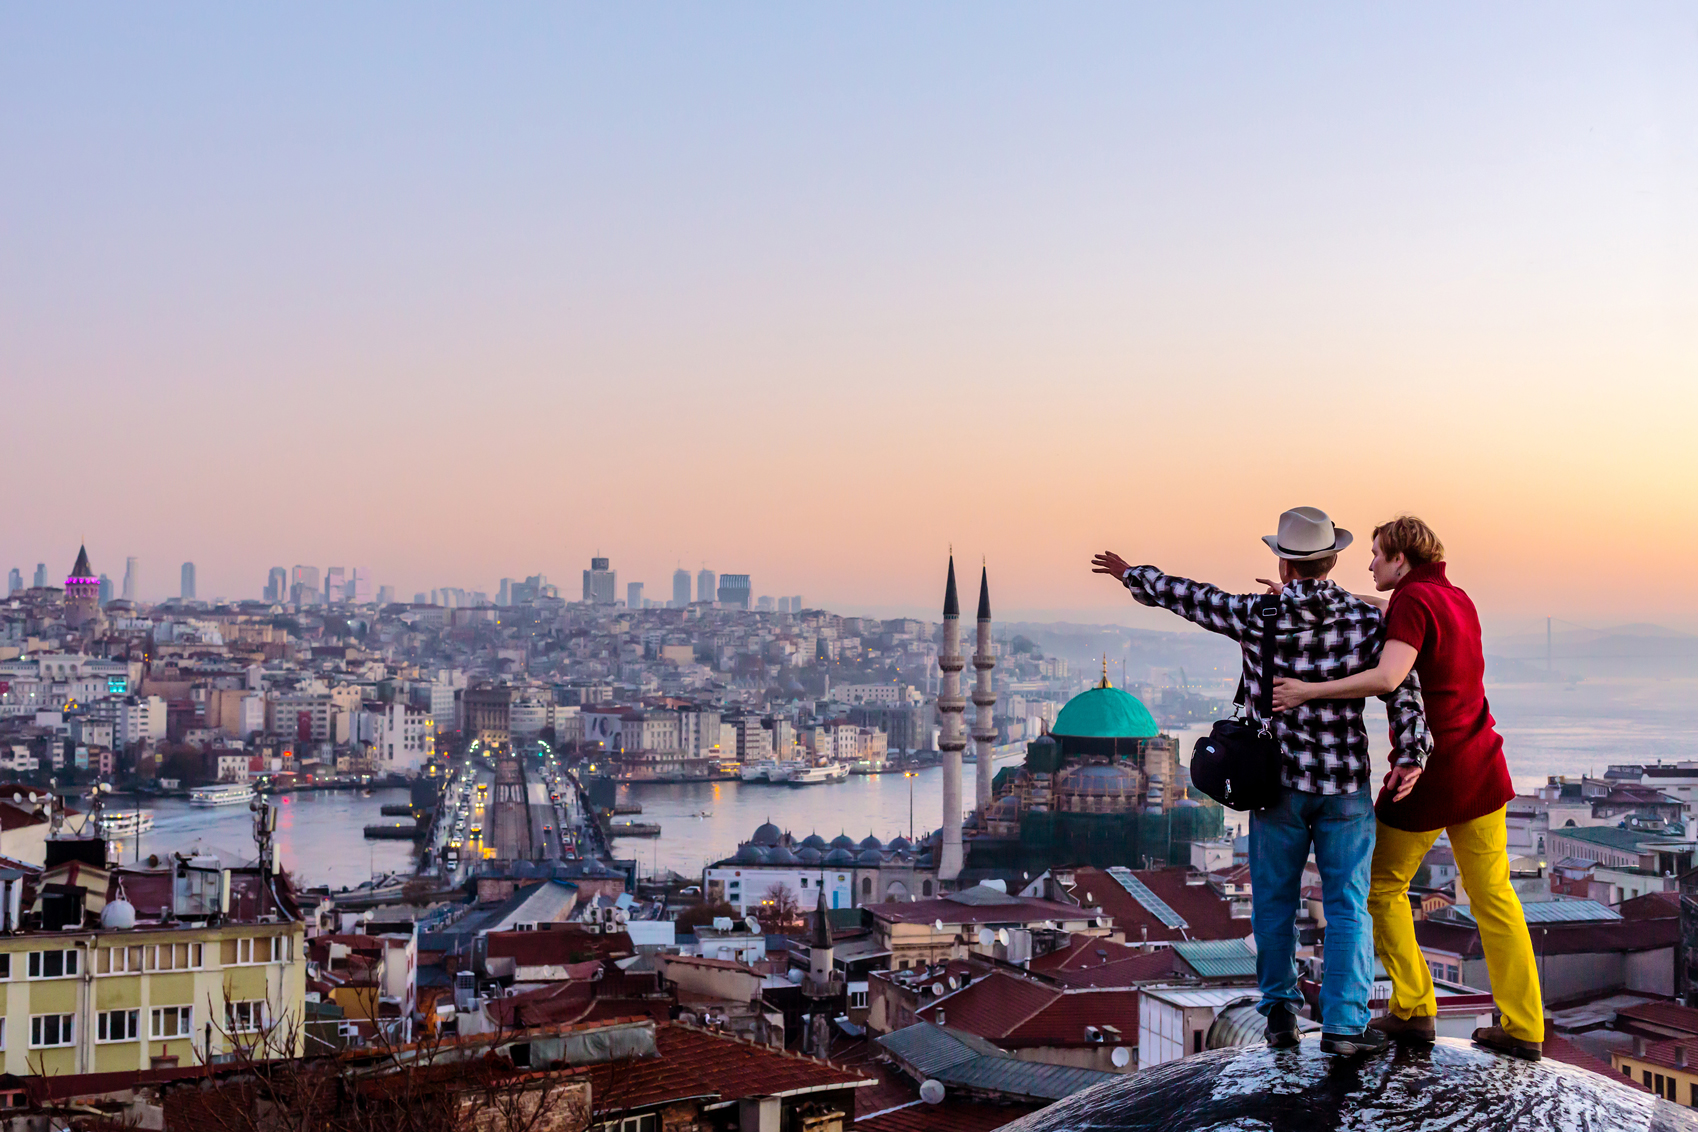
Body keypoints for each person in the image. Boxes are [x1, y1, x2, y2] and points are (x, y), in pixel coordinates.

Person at [1093, 506, 1430, 1056]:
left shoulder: (1260, 614)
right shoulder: (1367, 620)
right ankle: (1345, 1026)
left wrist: (1133, 574)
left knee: (1274, 903)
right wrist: (1412, 753)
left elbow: (1192, 598)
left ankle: (1279, 1016)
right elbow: (1403, 690)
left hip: (1277, 786)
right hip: (1344, 785)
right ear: (1332, 560)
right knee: (1348, 905)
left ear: (1284, 563)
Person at [1271, 515, 1540, 1060]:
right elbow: (1393, 612)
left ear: (1400, 558)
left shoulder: (1413, 602)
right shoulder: (1454, 597)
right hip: (1483, 768)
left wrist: (1307, 691)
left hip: (1430, 775)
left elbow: (1388, 677)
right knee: (1494, 896)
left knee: (1378, 887)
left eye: (1376, 554)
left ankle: (1415, 1008)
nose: (1370, 563)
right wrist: (1321, 598)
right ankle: (1524, 1026)